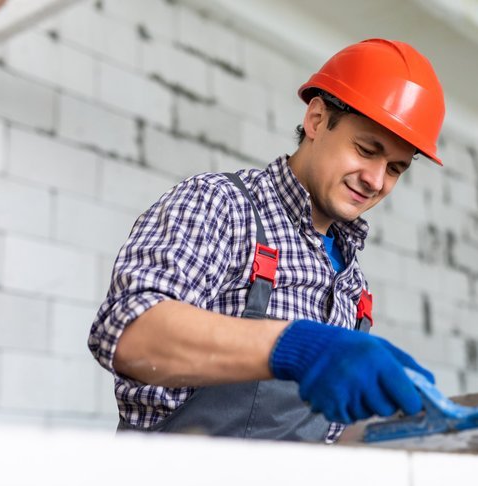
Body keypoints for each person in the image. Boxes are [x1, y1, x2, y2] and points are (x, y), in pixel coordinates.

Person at [88, 38, 446, 442]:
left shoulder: (352, 285)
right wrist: (296, 346)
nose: (376, 180)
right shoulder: (221, 205)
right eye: (366, 149)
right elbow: (128, 333)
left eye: (395, 168)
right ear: (315, 119)